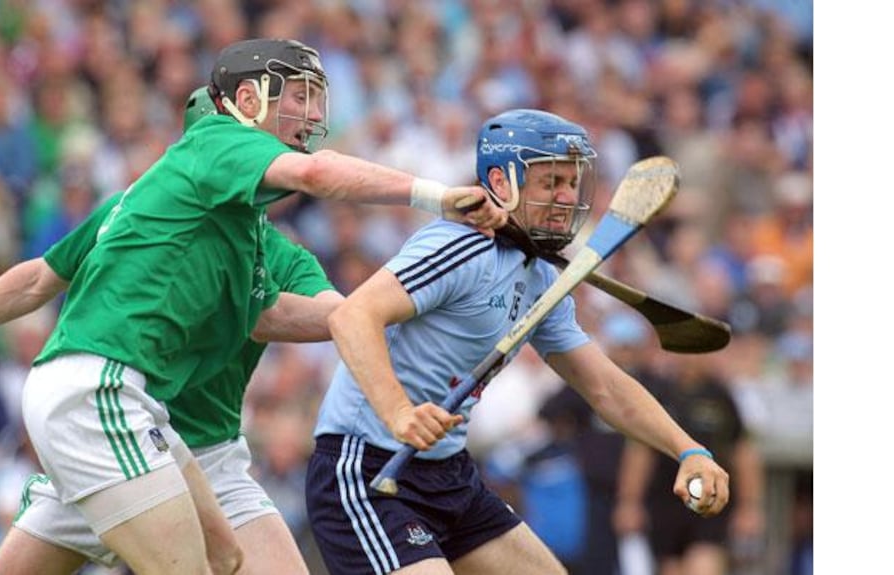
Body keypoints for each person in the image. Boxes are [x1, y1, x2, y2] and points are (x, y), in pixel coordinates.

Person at [305, 108, 731, 575]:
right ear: (500, 182)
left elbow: (604, 386)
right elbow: (352, 315)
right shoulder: (459, 245)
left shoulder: (540, 275)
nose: (567, 197)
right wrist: (399, 413)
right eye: (551, 182)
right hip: (368, 469)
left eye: (572, 182)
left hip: (449, 475)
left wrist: (687, 449)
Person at [0, 85, 344, 575]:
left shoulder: (277, 251)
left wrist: (393, 305)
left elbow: (332, 313)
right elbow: (35, 279)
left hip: (203, 453)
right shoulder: (135, 211)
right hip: (112, 430)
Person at [613, 353, 764, 575]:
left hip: (711, 500)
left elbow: (743, 453)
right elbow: (640, 452)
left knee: (704, 564)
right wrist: (629, 502)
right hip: (666, 499)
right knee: (670, 567)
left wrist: (749, 507)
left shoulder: (722, 396)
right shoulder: (660, 394)